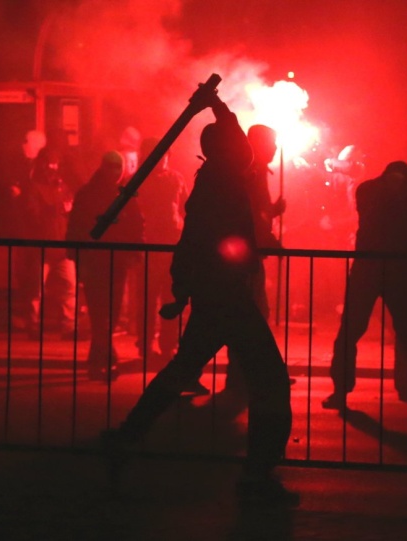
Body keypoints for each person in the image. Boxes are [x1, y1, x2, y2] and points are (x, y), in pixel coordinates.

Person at [100, 91, 296, 506]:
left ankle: (125, 438)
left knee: (181, 369)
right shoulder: (222, 180)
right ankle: (257, 473)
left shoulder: (212, 181)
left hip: (214, 291)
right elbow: (199, 236)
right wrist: (219, 107)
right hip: (226, 293)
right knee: (271, 381)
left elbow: (190, 240)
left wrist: (182, 288)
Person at [323, 160, 407, 409]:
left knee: (351, 330)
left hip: (368, 266)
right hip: (398, 267)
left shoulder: (367, 189)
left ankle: (340, 391)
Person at [219, 124, 286, 401]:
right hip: (242, 259)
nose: (274, 149)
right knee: (251, 315)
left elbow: (257, 211)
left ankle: (245, 376)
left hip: (247, 256)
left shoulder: (255, 171)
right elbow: (248, 215)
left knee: (250, 315)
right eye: (271, 143)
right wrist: (268, 237)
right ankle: (246, 376)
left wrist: (272, 211)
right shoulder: (251, 172)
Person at [66, 151, 144, 380]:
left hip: (116, 263)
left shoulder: (124, 195)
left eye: (117, 167)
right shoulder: (88, 194)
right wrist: (76, 253)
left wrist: (136, 250)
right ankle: (105, 358)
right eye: (110, 167)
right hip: (95, 262)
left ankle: (99, 358)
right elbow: (77, 224)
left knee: (111, 311)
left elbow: (136, 224)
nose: (115, 172)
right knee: (100, 313)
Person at [133, 137, 187, 367]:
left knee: (171, 298)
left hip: (173, 245)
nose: (163, 159)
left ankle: (168, 346)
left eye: (166, 154)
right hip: (149, 245)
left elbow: (186, 207)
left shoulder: (176, 179)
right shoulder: (139, 181)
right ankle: (145, 346)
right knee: (146, 299)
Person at [16, 146, 77, 340]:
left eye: (55, 163)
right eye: (50, 163)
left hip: (61, 245)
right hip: (41, 246)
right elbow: (32, 215)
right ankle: (33, 327)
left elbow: (70, 210)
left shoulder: (62, 186)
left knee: (69, 287)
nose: (53, 167)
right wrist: (58, 208)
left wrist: (69, 209)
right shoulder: (34, 188)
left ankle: (68, 327)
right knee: (36, 290)